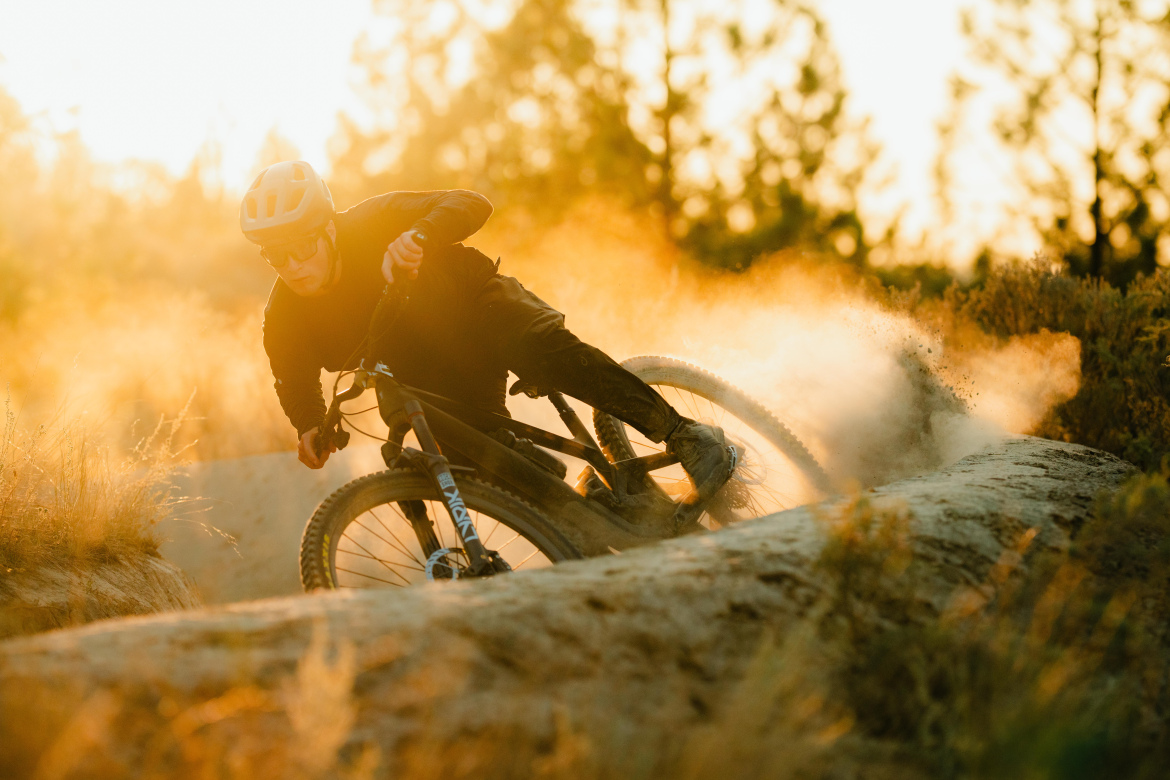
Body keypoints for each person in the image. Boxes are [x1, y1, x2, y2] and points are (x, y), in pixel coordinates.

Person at [240, 160, 734, 512]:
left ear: (327, 226)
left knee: (539, 351)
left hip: (477, 303)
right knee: (466, 451)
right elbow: (291, 375)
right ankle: (580, 505)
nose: (293, 265)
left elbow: (470, 202)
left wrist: (421, 236)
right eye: (275, 255)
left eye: (302, 245)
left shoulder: (371, 221)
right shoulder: (283, 314)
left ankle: (687, 435)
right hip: (425, 369)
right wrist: (308, 424)